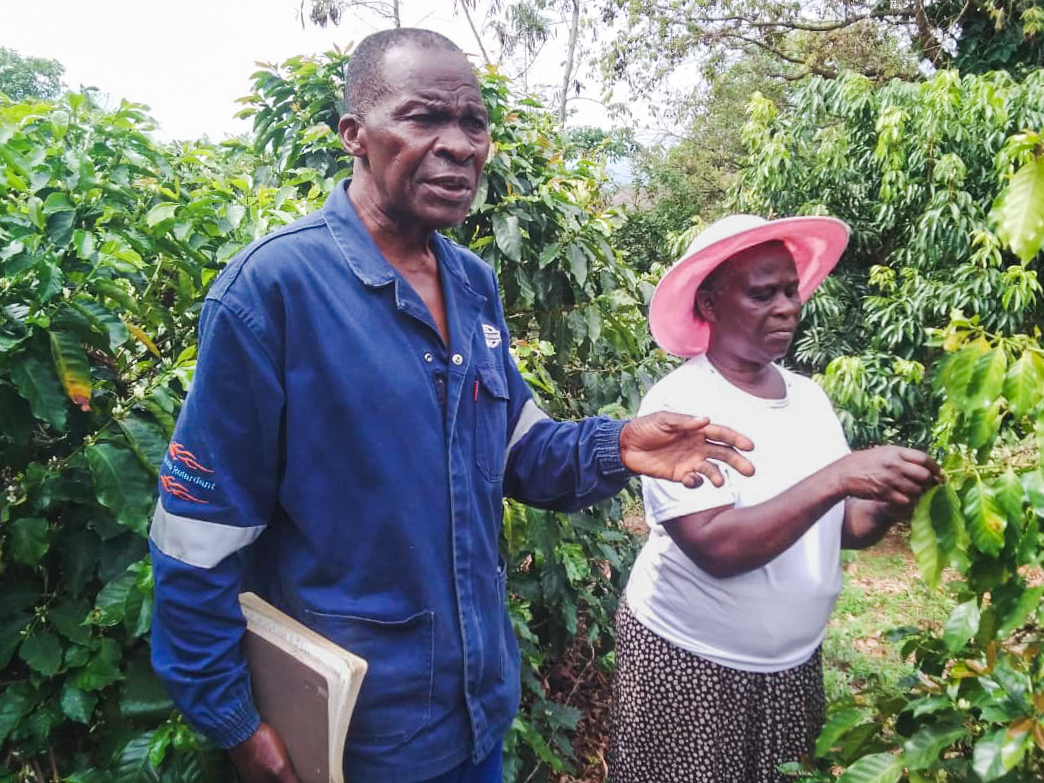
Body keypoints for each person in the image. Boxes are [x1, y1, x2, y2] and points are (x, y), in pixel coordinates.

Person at [148, 28, 756, 783]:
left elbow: (512, 449)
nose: (459, 145)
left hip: (473, 715)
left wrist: (617, 445)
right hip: (353, 736)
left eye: (473, 122)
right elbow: (195, 537)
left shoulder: (470, 283)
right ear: (355, 137)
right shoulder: (273, 293)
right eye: (423, 118)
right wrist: (234, 719)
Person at [608, 214, 942, 783]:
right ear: (710, 305)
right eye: (762, 294)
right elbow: (716, 547)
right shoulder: (680, 404)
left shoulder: (808, 398)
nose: (787, 307)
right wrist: (838, 477)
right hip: (690, 661)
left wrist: (893, 496)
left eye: (791, 291)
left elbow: (846, 526)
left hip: (790, 666)